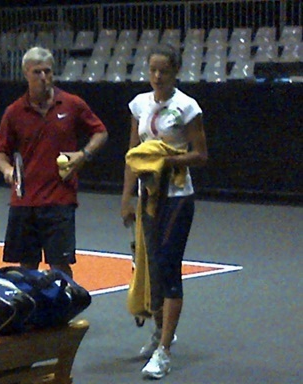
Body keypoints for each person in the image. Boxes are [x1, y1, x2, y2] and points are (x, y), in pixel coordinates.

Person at [121, 43, 208, 379]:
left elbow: (200, 155)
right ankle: (159, 331)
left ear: (175, 73)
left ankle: (164, 351)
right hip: (148, 198)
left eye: (165, 71)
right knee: (152, 268)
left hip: (177, 198)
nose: (158, 76)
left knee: (169, 267)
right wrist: (127, 197)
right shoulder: (139, 104)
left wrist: (166, 159)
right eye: (153, 70)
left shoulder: (187, 107)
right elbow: (133, 154)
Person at [0, 46, 108, 278]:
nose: (43, 77)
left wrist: (83, 155)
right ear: (26, 73)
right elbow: (0, 152)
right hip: (24, 201)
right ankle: (32, 314)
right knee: (26, 269)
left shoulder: (72, 104)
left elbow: (101, 133)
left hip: (60, 199)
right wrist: (7, 170)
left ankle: (63, 313)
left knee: (60, 267)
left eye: (48, 71)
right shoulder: (14, 112)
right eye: (37, 72)